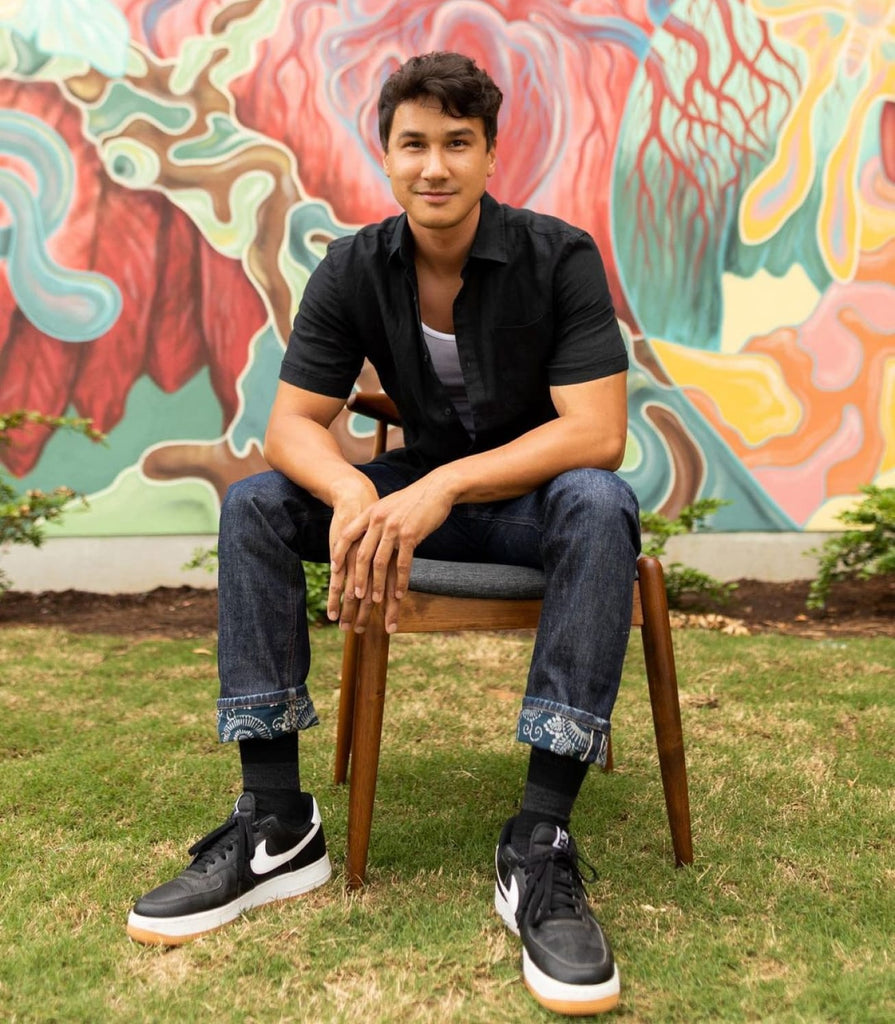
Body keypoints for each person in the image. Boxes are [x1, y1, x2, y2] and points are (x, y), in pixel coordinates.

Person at [127, 51, 640, 1016]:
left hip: (527, 507)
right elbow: (289, 427)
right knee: (258, 504)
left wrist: (440, 485)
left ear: (491, 154)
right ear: (387, 155)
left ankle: (539, 842)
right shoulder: (355, 265)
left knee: (598, 501)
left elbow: (596, 435)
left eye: (458, 143)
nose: (435, 165)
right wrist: (352, 496)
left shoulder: (556, 255)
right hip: (409, 490)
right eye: (415, 144)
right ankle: (276, 820)